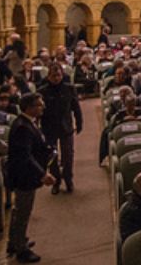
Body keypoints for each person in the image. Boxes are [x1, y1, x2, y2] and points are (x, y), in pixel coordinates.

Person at [6, 93, 56, 263]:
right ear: (29, 107)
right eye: (39, 105)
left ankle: (15, 241)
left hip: (25, 175)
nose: (42, 107)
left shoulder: (27, 123)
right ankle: (20, 249)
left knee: (19, 210)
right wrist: (43, 174)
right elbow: (25, 156)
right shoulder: (22, 127)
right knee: (22, 212)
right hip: (24, 177)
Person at [38, 63, 82, 194]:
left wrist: (79, 123)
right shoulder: (42, 91)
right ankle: (56, 181)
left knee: (68, 155)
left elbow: (76, 108)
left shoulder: (69, 89)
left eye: (58, 75)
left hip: (66, 126)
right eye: (53, 76)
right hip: (49, 127)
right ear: (48, 76)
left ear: (62, 75)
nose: (56, 78)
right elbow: (39, 111)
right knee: (52, 156)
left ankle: (68, 179)